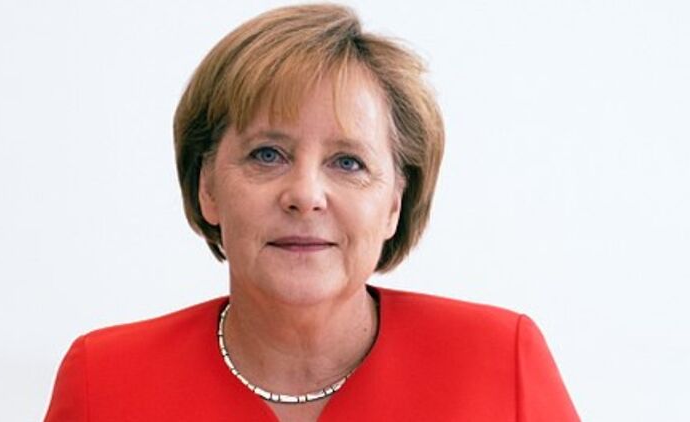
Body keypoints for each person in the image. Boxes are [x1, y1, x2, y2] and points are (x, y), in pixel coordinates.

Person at [44, 4, 579, 421]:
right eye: (267, 155)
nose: (305, 194)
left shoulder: (501, 364)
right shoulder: (103, 382)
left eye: (348, 162)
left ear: (394, 203)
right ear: (207, 187)